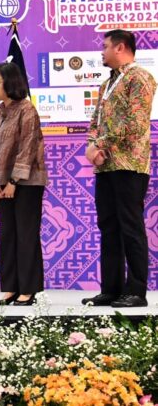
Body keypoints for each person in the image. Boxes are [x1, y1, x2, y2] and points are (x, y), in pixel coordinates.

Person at [82, 30, 156, 308]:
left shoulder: (140, 78)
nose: (101, 52)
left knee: (130, 226)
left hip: (130, 164)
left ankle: (136, 290)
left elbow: (135, 124)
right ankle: (110, 289)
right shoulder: (107, 83)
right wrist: (92, 146)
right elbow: (95, 121)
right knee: (108, 226)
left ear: (120, 47)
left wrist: (100, 143)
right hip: (106, 166)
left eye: (105, 46)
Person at [0, 62, 47, 306]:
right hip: (2, 183)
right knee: (7, 234)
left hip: (28, 183)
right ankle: (10, 288)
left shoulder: (26, 109)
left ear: (10, 83)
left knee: (26, 234)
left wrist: (13, 181)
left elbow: (28, 147)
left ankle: (28, 290)